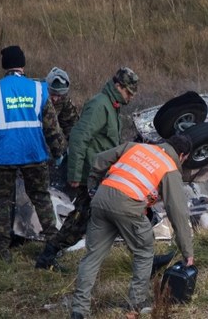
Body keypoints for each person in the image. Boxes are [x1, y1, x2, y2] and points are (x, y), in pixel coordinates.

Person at [70, 134, 195, 319]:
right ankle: (136, 303)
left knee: (92, 256)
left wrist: (93, 185)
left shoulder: (137, 147)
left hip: (101, 200)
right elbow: (177, 211)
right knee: (144, 251)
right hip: (128, 207)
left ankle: (79, 310)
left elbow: (99, 159)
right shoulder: (170, 168)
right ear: (182, 155)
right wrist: (187, 252)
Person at [35, 67, 138, 270]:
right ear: (118, 86)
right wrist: (74, 174)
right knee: (96, 216)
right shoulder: (100, 105)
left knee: (83, 219)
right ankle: (144, 258)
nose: (131, 97)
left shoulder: (112, 106)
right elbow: (78, 137)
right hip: (91, 175)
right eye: (128, 92)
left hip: (101, 173)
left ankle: (47, 256)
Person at [0, 45, 66, 262]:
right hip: (33, 153)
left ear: (4, 66)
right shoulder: (39, 89)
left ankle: (0, 253)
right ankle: (54, 245)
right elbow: (51, 127)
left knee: (1, 202)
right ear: (23, 65)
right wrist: (59, 152)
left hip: (1, 156)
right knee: (41, 198)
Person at [44, 67, 79, 141]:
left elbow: (71, 123)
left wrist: (72, 144)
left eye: (59, 96)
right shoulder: (35, 94)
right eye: (52, 94)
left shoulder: (64, 99)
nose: (55, 99)